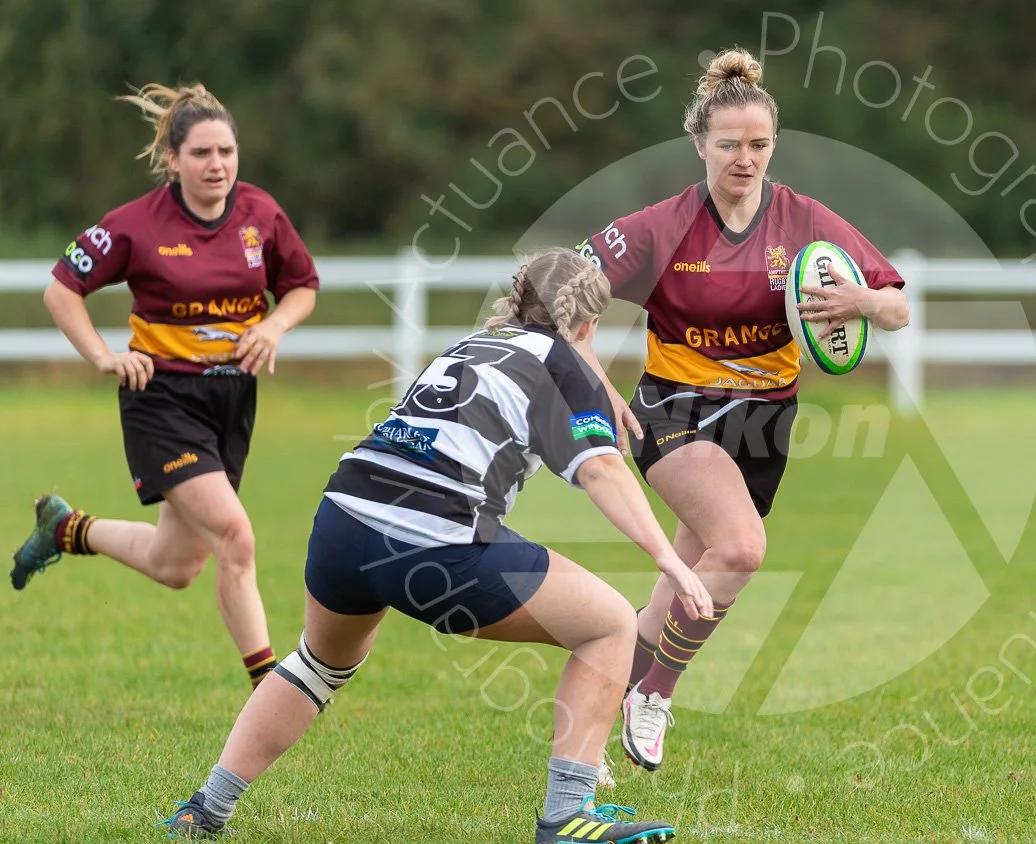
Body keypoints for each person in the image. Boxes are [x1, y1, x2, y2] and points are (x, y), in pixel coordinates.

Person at [162, 248, 710, 844]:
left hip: (344, 519)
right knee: (610, 626)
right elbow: (601, 470)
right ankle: (567, 817)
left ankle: (204, 809)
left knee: (318, 664)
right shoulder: (561, 363)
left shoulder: (473, 344)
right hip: (434, 543)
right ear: (588, 324)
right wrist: (668, 558)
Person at [573, 48, 911, 772]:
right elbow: (565, 290)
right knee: (742, 549)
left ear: (773, 146)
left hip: (766, 422)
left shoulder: (805, 221)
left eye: (759, 144)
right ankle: (656, 692)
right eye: (728, 144)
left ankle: (587, 730)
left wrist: (864, 301)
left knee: (685, 583)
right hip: (675, 408)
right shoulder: (663, 227)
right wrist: (594, 374)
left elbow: (898, 308)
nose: (744, 158)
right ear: (699, 144)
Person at [9, 82, 319, 689]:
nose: (218, 165)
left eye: (227, 151)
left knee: (176, 564)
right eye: (202, 153)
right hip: (162, 400)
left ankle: (65, 529)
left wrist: (275, 324)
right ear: (173, 160)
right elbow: (60, 290)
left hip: (231, 402)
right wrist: (103, 355)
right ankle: (273, 688)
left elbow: (303, 285)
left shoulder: (261, 215)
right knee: (236, 536)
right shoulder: (135, 224)